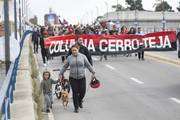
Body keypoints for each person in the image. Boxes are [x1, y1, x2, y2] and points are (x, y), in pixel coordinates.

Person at [59, 45, 95, 113]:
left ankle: (79, 100)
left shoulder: (83, 56)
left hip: (82, 77)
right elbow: (64, 67)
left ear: (78, 50)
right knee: (75, 92)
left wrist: (93, 72)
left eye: (75, 50)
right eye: (72, 50)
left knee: (82, 92)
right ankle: (76, 107)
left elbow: (88, 65)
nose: (74, 51)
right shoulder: (69, 58)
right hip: (73, 78)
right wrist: (60, 74)